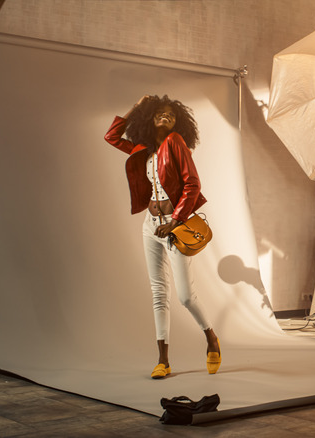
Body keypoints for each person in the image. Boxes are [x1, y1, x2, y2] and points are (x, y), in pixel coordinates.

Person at [105, 95, 221, 379]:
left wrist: (176, 221)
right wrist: (136, 105)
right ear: (150, 117)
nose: (166, 117)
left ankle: (211, 338)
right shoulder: (143, 148)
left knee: (185, 296)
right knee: (159, 294)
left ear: (177, 121)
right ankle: (163, 361)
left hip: (174, 226)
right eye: (159, 113)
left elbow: (193, 183)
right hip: (150, 225)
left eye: (171, 114)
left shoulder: (176, 143)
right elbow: (111, 136)